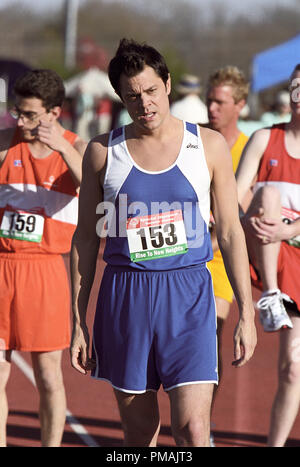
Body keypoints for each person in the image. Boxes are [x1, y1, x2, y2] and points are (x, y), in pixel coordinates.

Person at [70, 38, 257, 448]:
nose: (145, 103)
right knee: (140, 435)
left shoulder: (208, 146)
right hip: (126, 298)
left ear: (168, 84)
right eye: (133, 95)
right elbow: (84, 238)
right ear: (121, 97)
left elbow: (229, 230)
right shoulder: (102, 152)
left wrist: (245, 312)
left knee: (192, 429)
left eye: (152, 90)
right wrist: (78, 321)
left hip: (188, 296)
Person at [0, 69, 86, 447]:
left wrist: (63, 149)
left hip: (46, 271)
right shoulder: (5, 144)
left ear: (54, 112)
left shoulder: (77, 148)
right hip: (3, 266)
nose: (22, 121)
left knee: (48, 375)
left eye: (31, 115)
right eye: (18, 112)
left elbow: (94, 184)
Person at [235, 64, 300, 446]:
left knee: (294, 369)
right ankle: (271, 294)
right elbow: (237, 196)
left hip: (293, 241)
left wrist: (290, 229)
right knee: (270, 195)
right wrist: (253, 225)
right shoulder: (264, 138)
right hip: (273, 258)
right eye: (296, 86)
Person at [204, 66, 250, 381]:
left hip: (221, 258)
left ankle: (200, 426)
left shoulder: (250, 149)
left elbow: (248, 212)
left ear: (240, 105)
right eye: (210, 101)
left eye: (220, 102)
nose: (212, 108)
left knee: (210, 336)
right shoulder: (194, 137)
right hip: (182, 249)